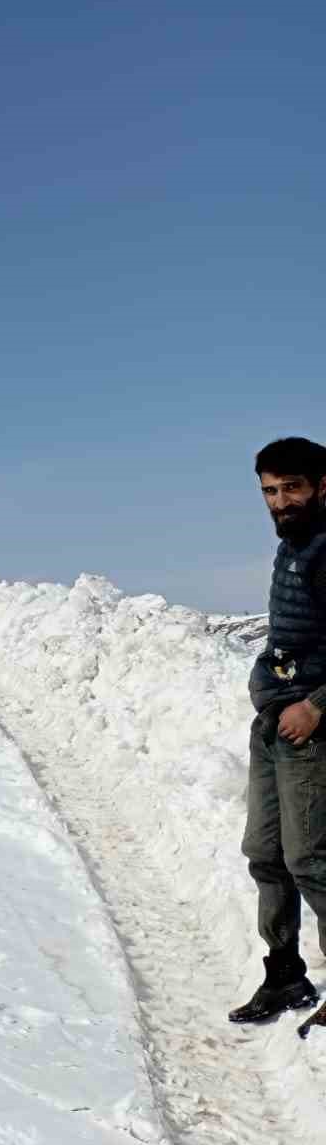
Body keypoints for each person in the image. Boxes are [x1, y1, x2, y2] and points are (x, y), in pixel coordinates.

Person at [230, 437, 326, 1024]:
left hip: (309, 730)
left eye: (292, 487)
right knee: (265, 854)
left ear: (322, 486)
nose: (280, 501)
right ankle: (285, 975)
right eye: (269, 490)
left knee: (311, 860)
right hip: (274, 721)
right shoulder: (293, 544)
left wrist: (315, 705)